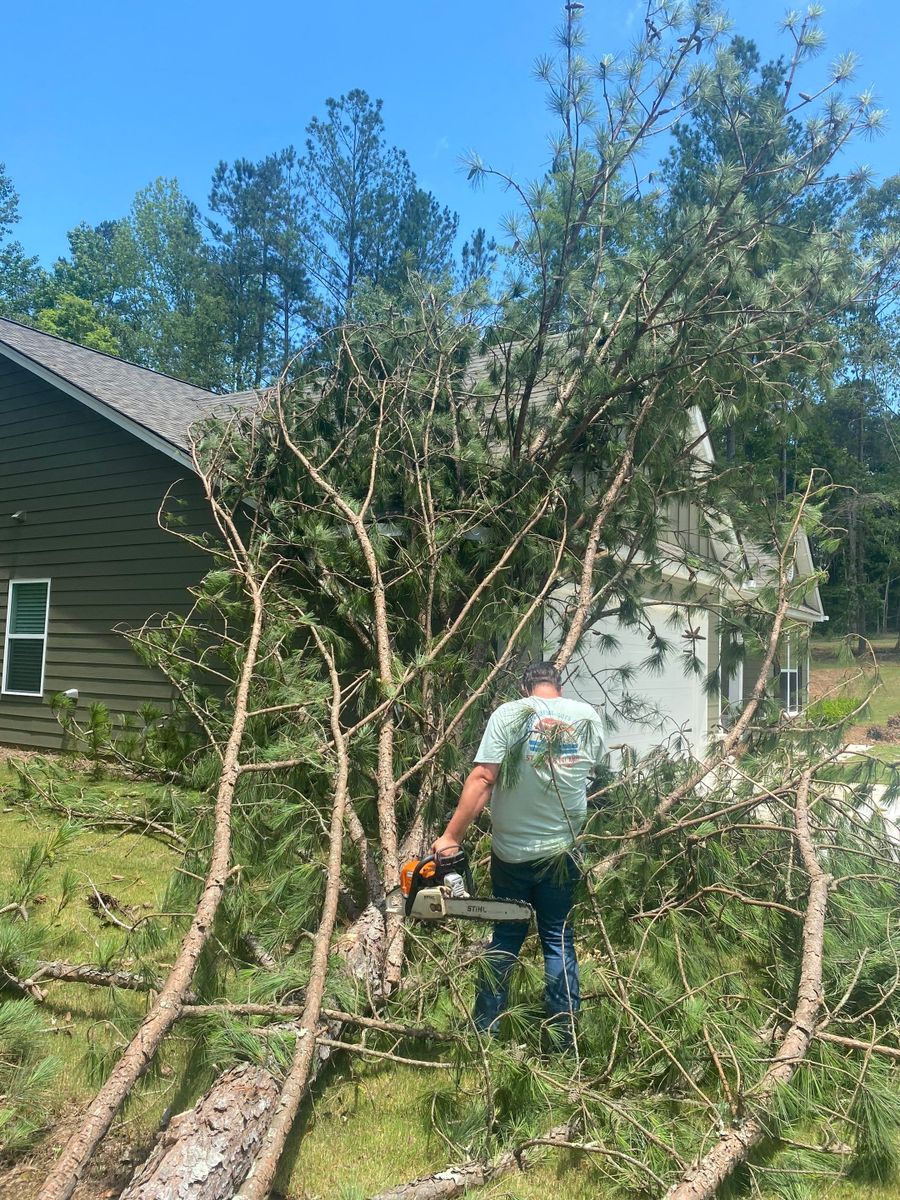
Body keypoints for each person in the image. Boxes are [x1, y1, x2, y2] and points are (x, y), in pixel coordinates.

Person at [433, 661, 606, 1044]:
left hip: (513, 853)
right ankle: (564, 1039)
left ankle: (485, 1032)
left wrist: (450, 837)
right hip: (564, 852)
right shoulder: (587, 716)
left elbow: (483, 778)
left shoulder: (510, 714)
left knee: (506, 936)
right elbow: (592, 774)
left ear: (525, 687)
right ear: (557, 686)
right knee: (559, 939)